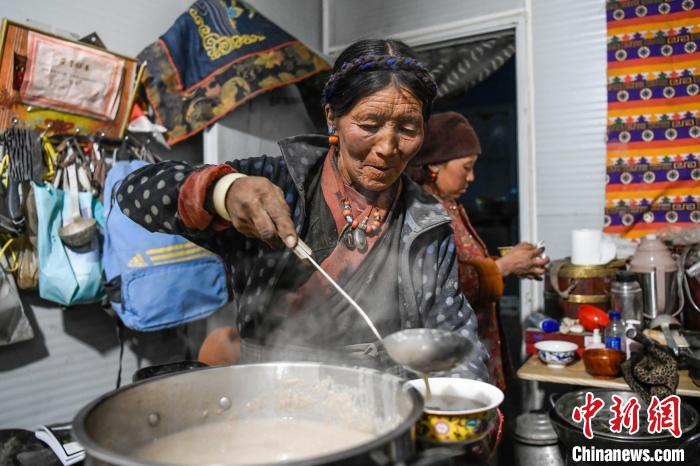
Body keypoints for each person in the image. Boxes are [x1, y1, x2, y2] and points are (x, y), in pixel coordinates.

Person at [117, 40, 489, 380]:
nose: (388, 147)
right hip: (272, 398)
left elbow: (454, 337)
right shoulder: (279, 183)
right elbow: (133, 193)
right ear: (332, 118)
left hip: (384, 406)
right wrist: (222, 191)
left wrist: (466, 399)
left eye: (408, 128)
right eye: (369, 124)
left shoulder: (427, 222)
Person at [407, 112, 549, 390]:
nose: (472, 177)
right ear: (434, 166)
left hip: (475, 341)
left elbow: (461, 264)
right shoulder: (424, 213)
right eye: (466, 167)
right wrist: (504, 266)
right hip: (450, 354)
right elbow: (440, 286)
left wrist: (511, 262)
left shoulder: (450, 205)